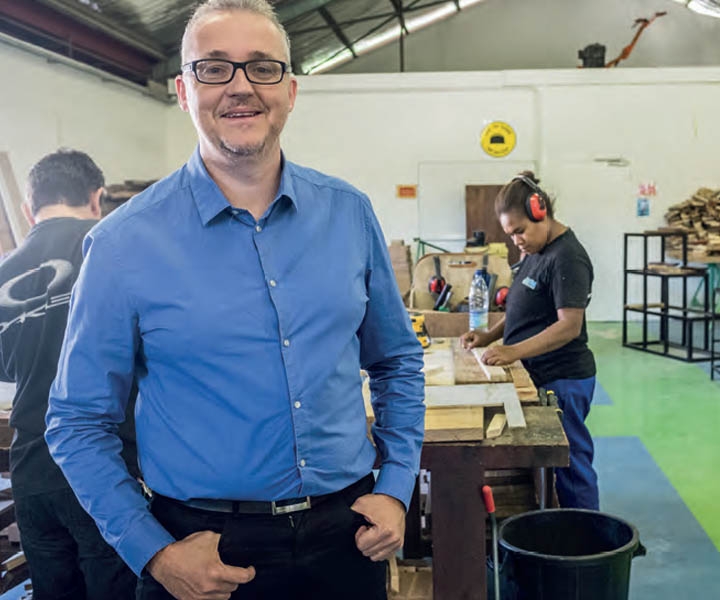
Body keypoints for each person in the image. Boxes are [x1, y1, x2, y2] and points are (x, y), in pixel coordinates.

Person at [45, 1, 425, 599]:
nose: (241, 87)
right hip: (202, 554)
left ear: (292, 90)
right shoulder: (122, 244)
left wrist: (397, 484)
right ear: (182, 89)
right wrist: (154, 553)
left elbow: (397, 361)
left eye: (262, 68)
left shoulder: (349, 215)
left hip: (346, 541)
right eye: (214, 68)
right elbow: (75, 421)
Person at [0, 149, 137, 599]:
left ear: (28, 208)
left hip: (31, 472)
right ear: (96, 197)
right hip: (104, 469)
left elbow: (6, 365)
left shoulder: (4, 274)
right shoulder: (117, 246)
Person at [460, 171, 600, 510]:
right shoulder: (535, 251)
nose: (516, 241)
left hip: (563, 377)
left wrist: (513, 351)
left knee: (571, 461)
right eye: (510, 234)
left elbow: (569, 325)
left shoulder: (568, 256)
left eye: (520, 231)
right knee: (549, 464)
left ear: (542, 213)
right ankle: (558, 523)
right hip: (536, 372)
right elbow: (525, 308)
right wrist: (490, 335)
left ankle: (587, 538)